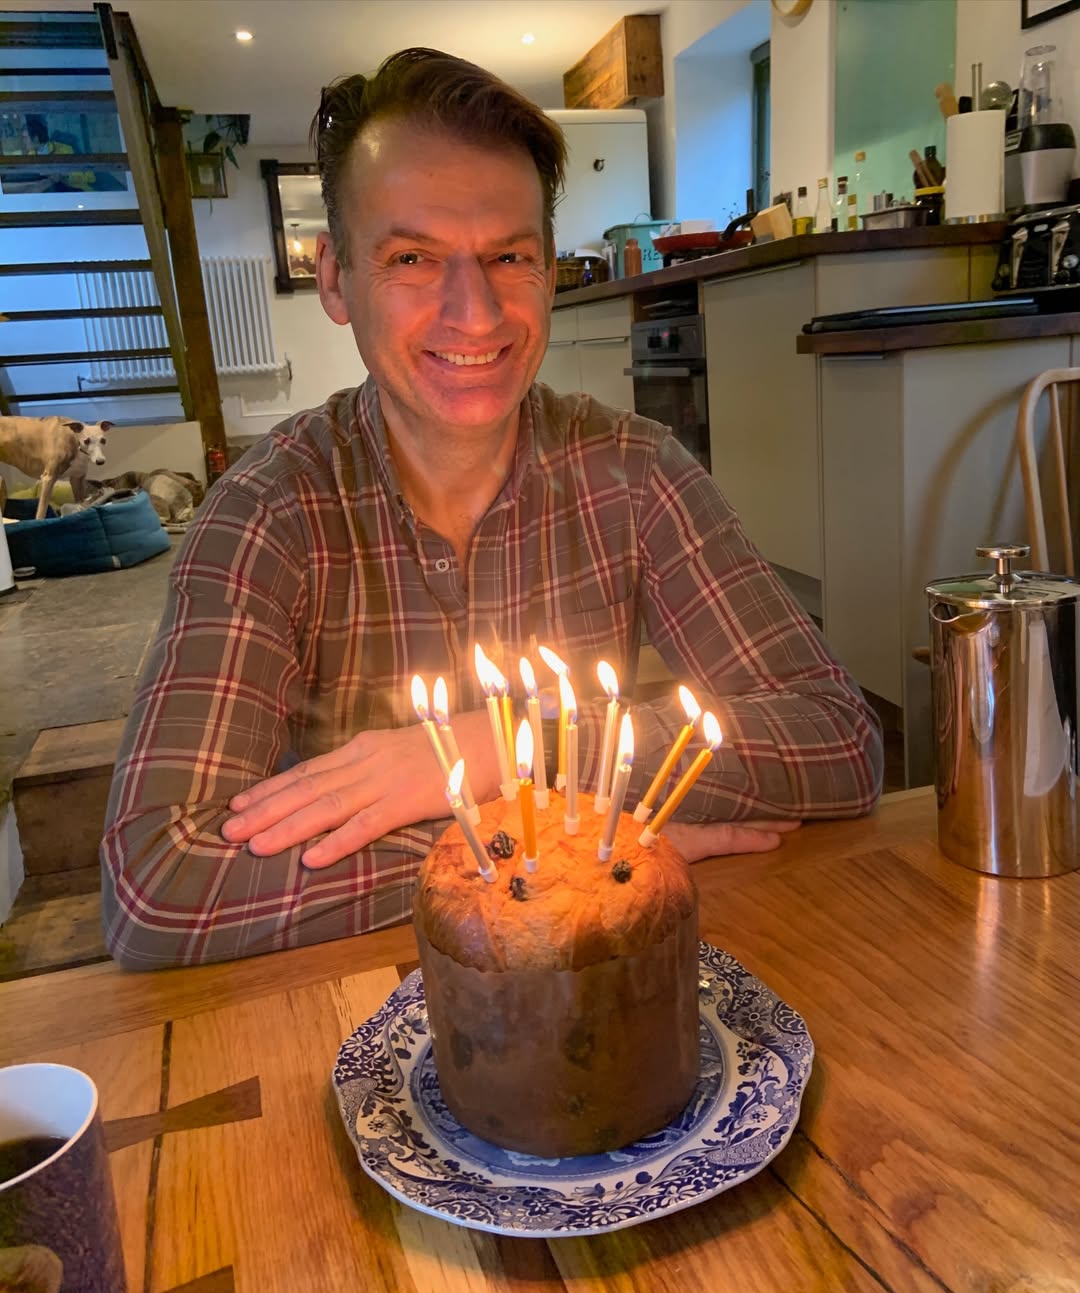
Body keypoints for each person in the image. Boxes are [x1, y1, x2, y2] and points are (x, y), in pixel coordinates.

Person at [101, 48, 883, 969]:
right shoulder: (267, 514)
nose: (474, 313)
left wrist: (497, 753)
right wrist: (572, 847)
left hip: (605, 990)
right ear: (336, 280)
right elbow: (159, 883)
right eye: (411, 258)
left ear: (549, 269)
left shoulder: (634, 473)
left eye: (508, 255)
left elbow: (837, 739)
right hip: (356, 1001)